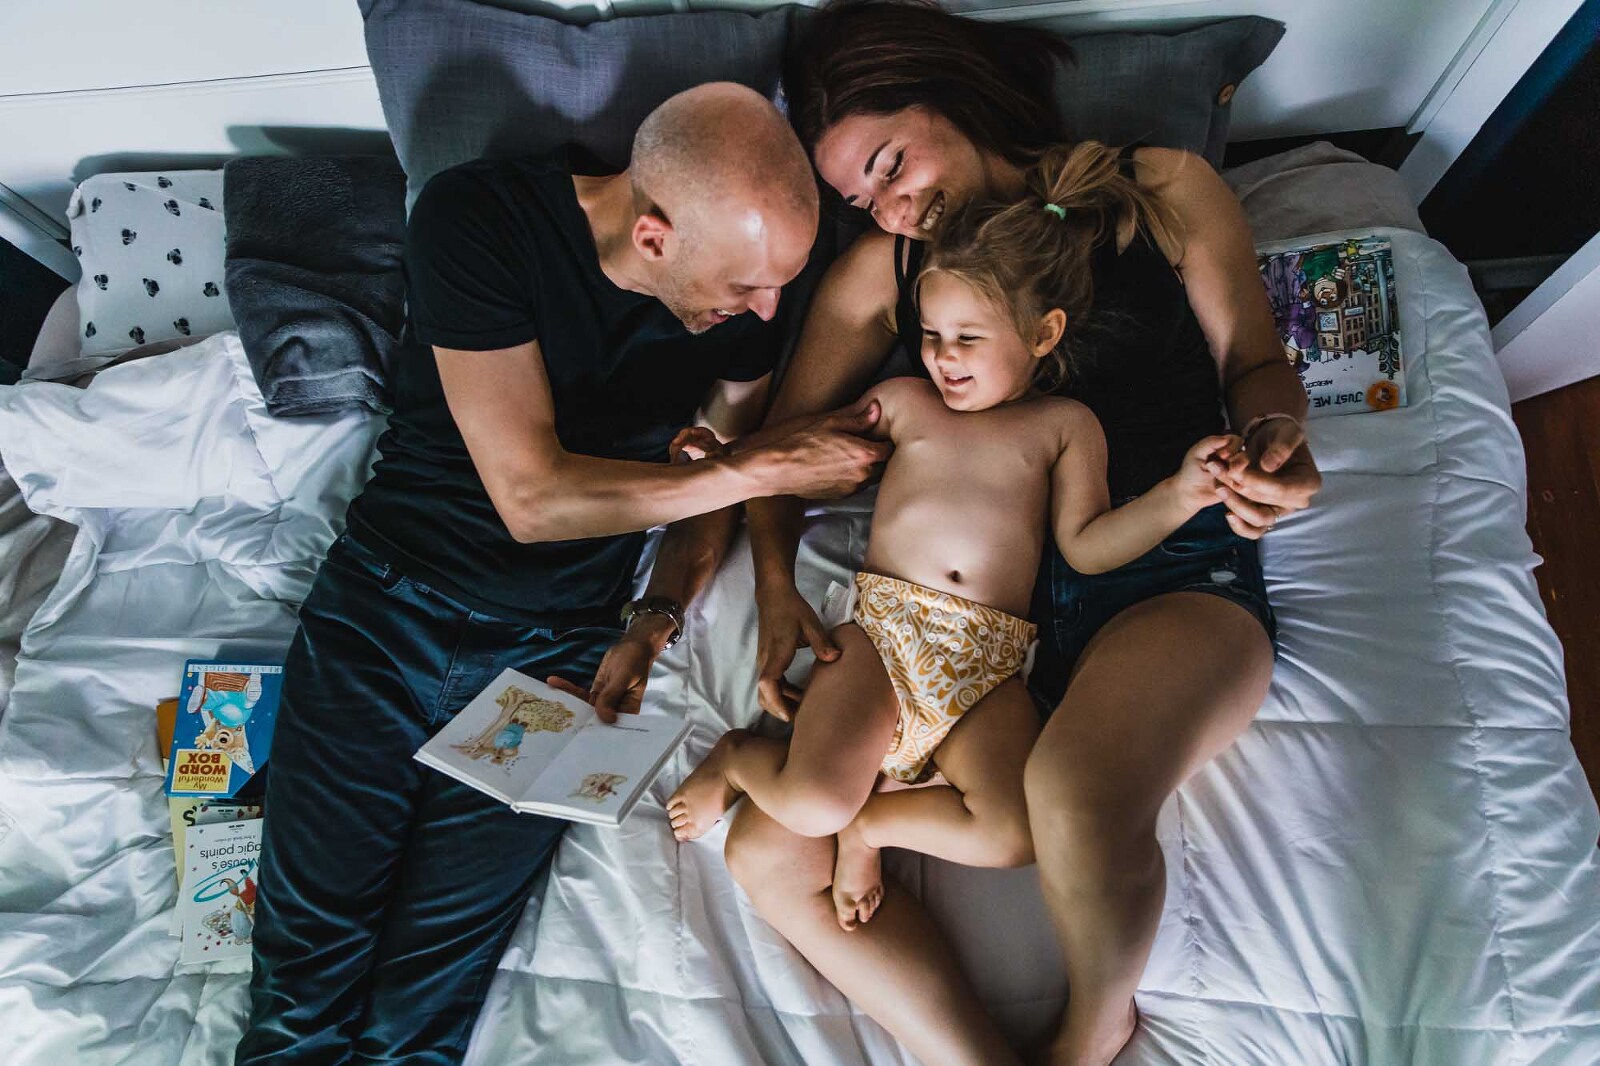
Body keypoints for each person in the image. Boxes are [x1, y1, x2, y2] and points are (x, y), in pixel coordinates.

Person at [236, 82, 888, 1065]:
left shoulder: (742, 313)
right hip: (388, 611)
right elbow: (530, 498)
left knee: (424, 1002)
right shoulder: (480, 218)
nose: (764, 312)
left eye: (777, 289)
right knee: (304, 985)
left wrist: (655, 617)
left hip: (557, 656)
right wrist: (768, 465)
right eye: (748, 285)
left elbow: (706, 474)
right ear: (657, 234)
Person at [727, 4, 1324, 1065]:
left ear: (948, 89)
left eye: (891, 161)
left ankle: (1091, 1033)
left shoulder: (1160, 190)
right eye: (863, 197)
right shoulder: (885, 275)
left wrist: (1275, 438)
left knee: (1073, 791)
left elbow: (1253, 367)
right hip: (967, 633)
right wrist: (776, 585)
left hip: (1166, 576)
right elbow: (780, 451)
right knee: (769, 848)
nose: (894, 208)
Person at [668, 157, 1241, 956]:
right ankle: (737, 760)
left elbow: (1089, 546)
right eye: (931, 336)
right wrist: (724, 456)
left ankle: (873, 828)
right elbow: (800, 449)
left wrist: (1179, 495)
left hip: (988, 663)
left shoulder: (1066, 427)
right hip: (883, 640)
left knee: (1015, 829)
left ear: (1043, 334)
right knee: (810, 805)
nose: (944, 357)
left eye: (969, 339)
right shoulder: (903, 404)